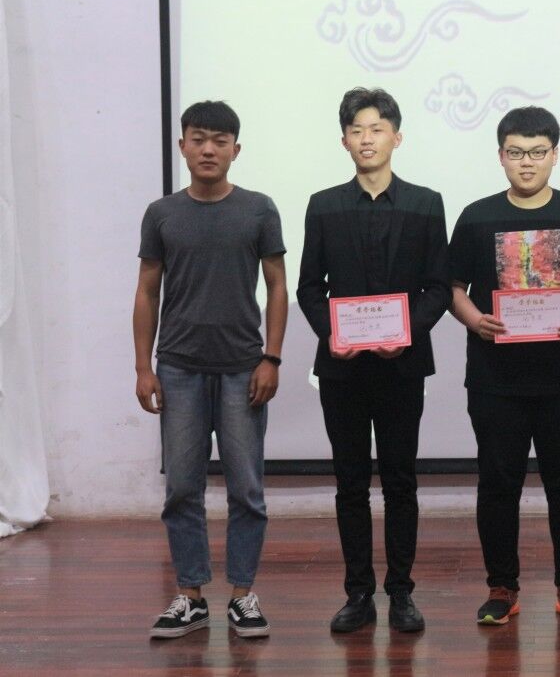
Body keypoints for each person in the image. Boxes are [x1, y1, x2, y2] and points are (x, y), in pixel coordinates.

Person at [448, 106, 560, 625]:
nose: (527, 162)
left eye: (538, 152)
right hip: (495, 378)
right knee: (497, 484)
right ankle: (501, 588)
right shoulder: (477, 216)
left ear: (555, 155)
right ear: (501, 156)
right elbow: (452, 287)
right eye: (517, 152)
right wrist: (476, 320)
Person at [297, 88, 451, 634]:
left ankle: (402, 592)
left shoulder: (425, 203)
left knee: (401, 481)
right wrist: (330, 332)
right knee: (350, 482)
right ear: (344, 141)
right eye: (357, 130)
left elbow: (438, 287)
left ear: (396, 137)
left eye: (377, 129)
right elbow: (309, 288)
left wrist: (406, 332)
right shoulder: (324, 204)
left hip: (401, 366)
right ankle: (358, 593)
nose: (367, 138)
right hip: (342, 368)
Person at [134, 101, 287, 639]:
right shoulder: (162, 213)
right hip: (178, 368)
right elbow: (147, 291)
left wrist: (271, 357)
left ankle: (243, 595)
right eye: (198, 139)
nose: (208, 150)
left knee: (247, 489)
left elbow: (277, 286)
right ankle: (191, 596)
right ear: (182, 146)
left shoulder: (259, 209)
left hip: (243, 368)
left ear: (235, 150)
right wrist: (143, 367)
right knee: (182, 488)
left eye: (220, 141)